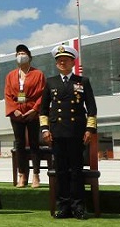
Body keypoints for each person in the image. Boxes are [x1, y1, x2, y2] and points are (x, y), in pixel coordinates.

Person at [40, 44, 97, 219]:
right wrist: (44, 130)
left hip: (76, 133)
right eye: (59, 60)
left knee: (76, 171)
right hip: (56, 133)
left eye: (65, 59)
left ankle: (78, 206)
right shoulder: (50, 82)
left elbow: (92, 109)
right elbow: (43, 110)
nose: (62, 62)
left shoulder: (82, 81)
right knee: (61, 171)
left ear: (73, 62)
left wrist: (89, 129)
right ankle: (63, 206)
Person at [5, 43, 46, 188]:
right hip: (16, 114)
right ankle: (22, 175)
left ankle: (36, 175)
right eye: (18, 54)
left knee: (34, 143)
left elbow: (43, 94)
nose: (20, 56)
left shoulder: (38, 74)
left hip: (32, 113)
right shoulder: (10, 75)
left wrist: (35, 109)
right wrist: (13, 109)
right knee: (19, 143)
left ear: (29, 57)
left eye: (23, 53)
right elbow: (8, 95)